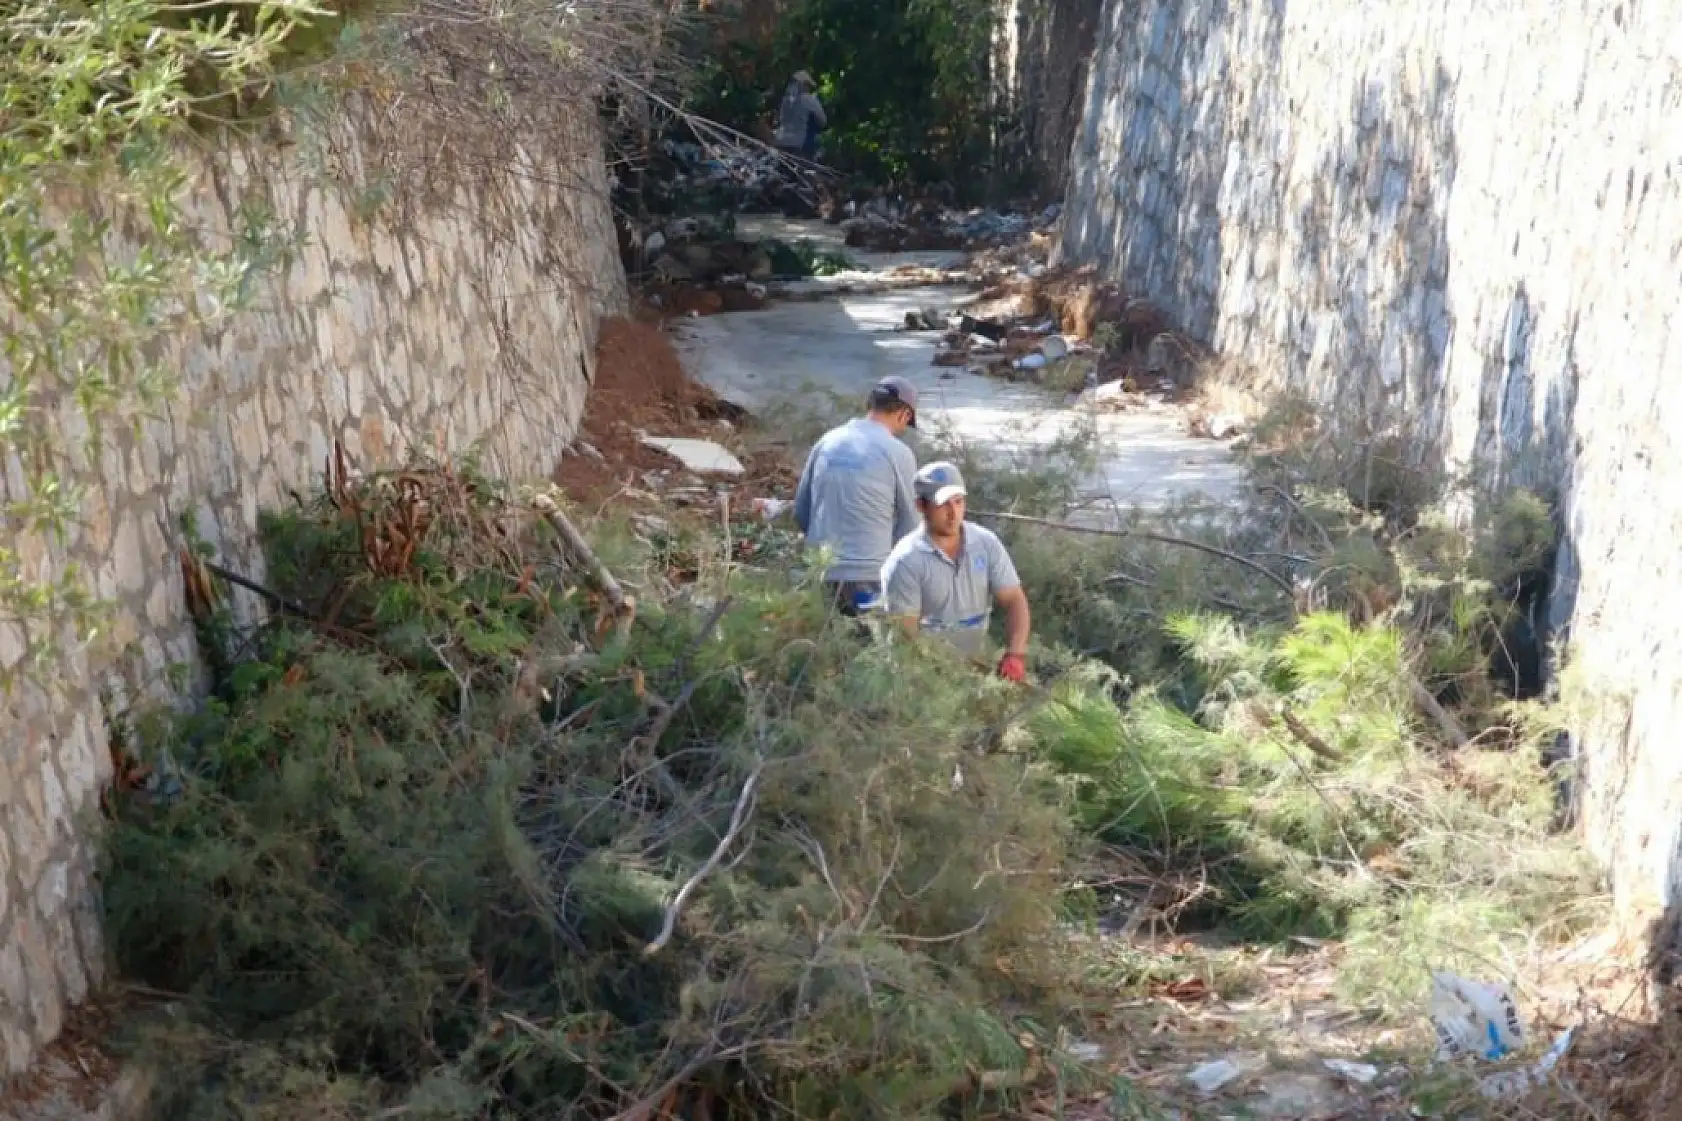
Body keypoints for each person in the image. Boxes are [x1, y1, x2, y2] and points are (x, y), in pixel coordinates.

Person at [880, 461, 1032, 682]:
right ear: (921, 506)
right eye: (943, 505)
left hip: (978, 669)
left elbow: (1014, 599)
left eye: (958, 502)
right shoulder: (905, 561)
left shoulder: (986, 543)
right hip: (926, 679)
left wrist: (1015, 654)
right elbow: (906, 640)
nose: (953, 513)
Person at [792, 377, 921, 615]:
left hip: (820, 572)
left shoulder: (827, 441)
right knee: (867, 648)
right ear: (904, 414)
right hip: (869, 576)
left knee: (821, 647)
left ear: (869, 404)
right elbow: (911, 525)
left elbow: (801, 511)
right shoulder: (898, 453)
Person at [775, 70, 827, 161]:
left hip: (781, 141)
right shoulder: (810, 99)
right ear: (804, 84)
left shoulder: (786, 100)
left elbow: (781, 119)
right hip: (800, 144)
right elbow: (823, 121)